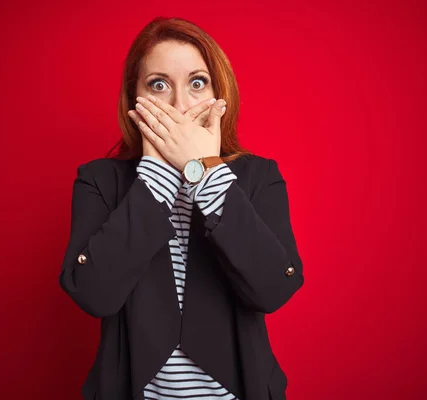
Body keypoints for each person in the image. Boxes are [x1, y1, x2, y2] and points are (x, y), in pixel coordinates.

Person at [59, 16, 304, 400]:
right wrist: (156, 171)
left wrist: (205, 171)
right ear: (133, 98)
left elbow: (273, 288)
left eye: (196, 83)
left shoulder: (259, 177)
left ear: (218, 93)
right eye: (159, 85)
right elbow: (94, 293)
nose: (179, 104)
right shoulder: (100, 181)